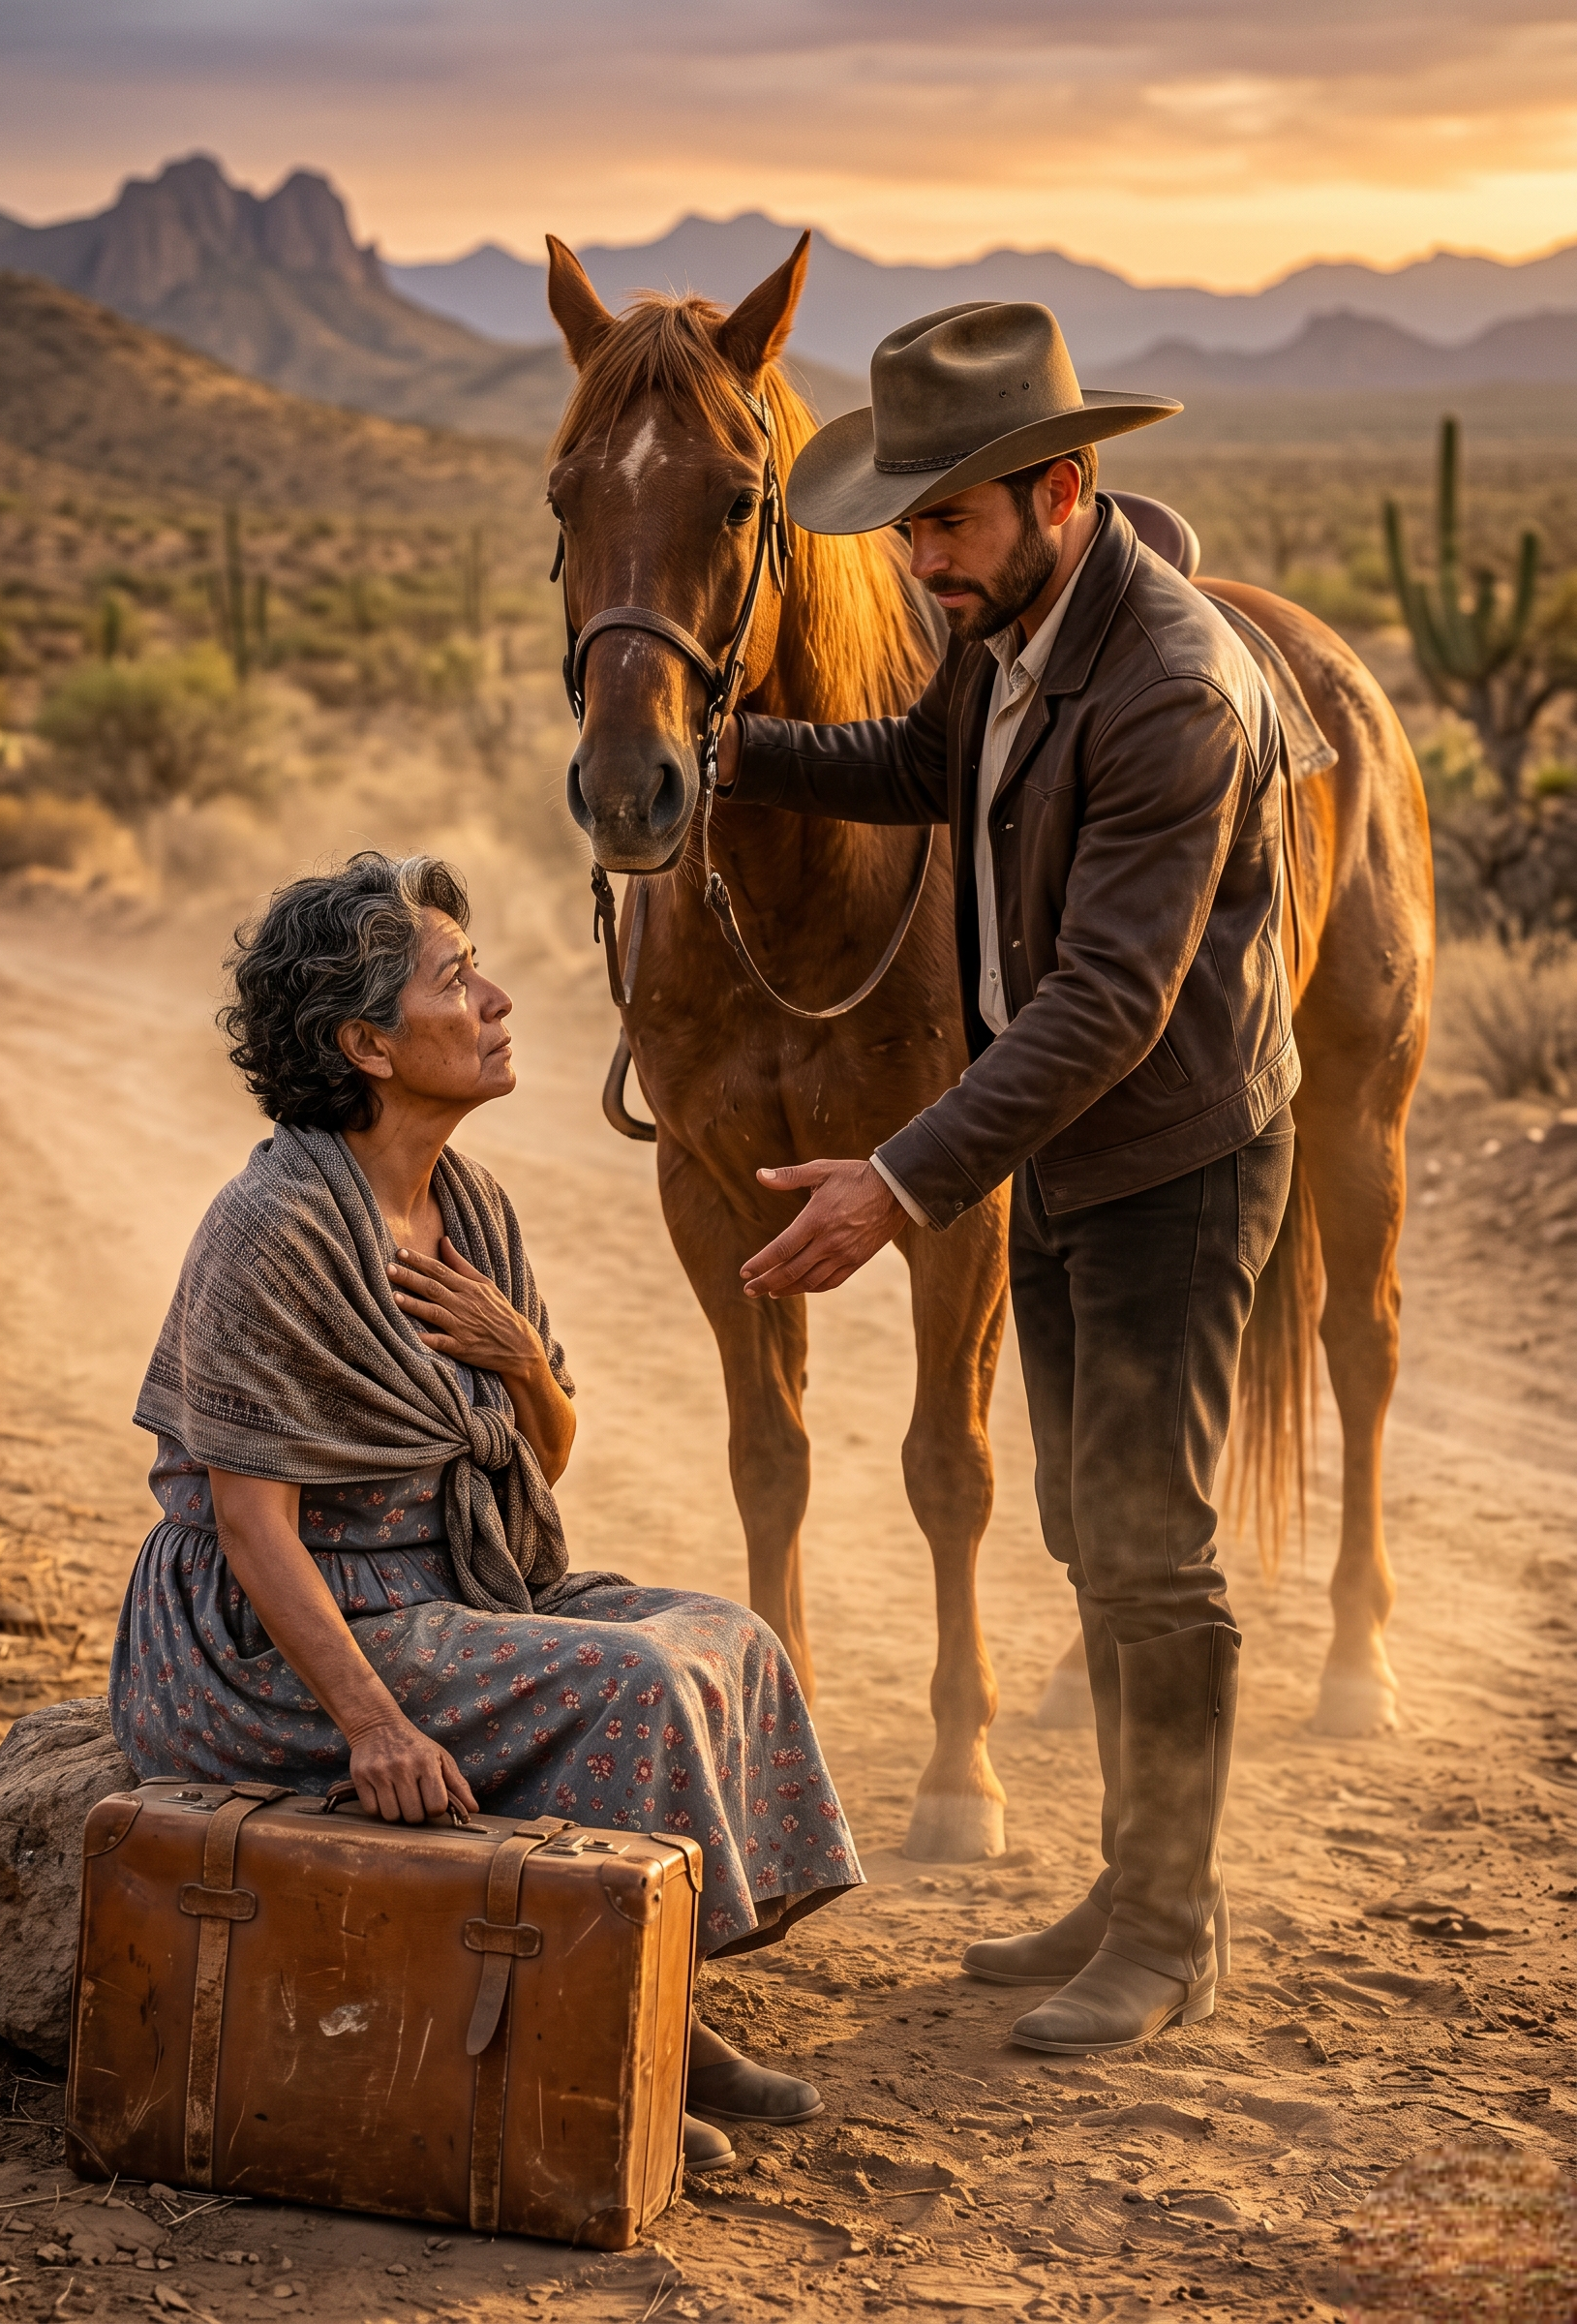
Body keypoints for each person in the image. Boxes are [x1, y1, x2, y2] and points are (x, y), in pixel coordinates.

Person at [718, 301, 1297, 2054]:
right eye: (903, 522)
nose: (916, 560)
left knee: (1152, 1545)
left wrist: (898, 1180)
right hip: (1060, 1153)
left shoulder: (1172, 684)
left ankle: (1173, 1931)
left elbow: (1111, 1003)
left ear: (1061, 488)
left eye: (945, 521)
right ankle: (1128, 1888)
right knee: (1082, 1524)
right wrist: (731, 749)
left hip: (1172, 1156)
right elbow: (921, 766)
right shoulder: (1011, 631)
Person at [109, 850, 861, 2169]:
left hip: (444, 1581)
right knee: (628, 1681)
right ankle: (622, 2052)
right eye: (458, 979)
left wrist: (519, 1358)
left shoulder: (470, 1205)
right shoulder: (273, 1228)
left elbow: (533, 1463)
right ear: (369, 1045)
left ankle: (657, 1995)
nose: (499, 998)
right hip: (266, 1641)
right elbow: (250, 1529)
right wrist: (377, 1729)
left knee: (731, 1638)